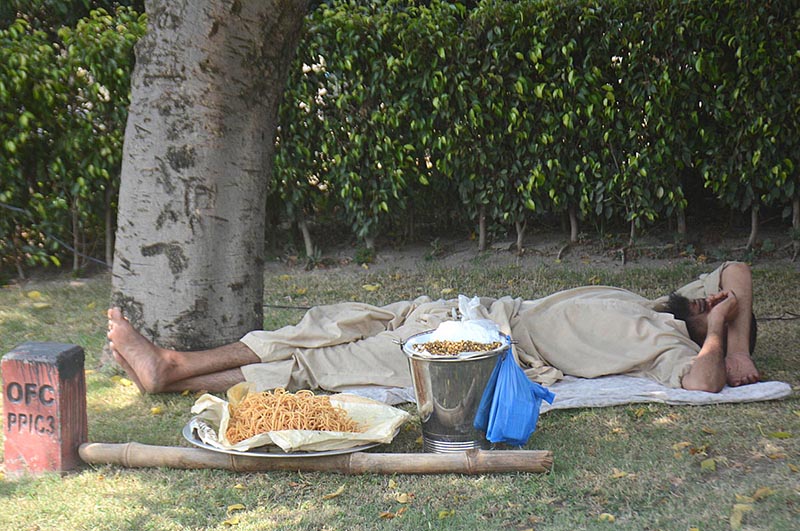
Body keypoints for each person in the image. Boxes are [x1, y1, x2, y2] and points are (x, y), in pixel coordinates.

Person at [107, 261, 760, 396]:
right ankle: (174, 363)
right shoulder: (641, 301)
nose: (718, 293)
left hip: (483, 348)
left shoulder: (670, 344)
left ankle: (170, 373)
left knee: (322, 367)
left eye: (722, 302)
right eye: (713, 295)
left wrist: (725, 339)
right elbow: (740, 265)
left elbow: (704, 384)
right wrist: (727, 311)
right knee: (320, 324)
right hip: (457, 307)